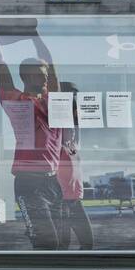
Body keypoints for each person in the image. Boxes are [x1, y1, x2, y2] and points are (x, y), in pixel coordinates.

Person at [0, 20, 64, 249]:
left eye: (46, 75)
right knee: (48, 243)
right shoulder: (15, 100)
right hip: (29, 183)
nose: (45, 79)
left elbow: (51, 63)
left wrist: (34, 34)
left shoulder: (53, 101)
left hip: (53, 182)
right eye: (39, 75)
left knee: (61, 244)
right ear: (26, 78)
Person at [56, 81, 93, 249]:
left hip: (75, 199)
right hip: (60, 200)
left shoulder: (74, 137)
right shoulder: (55, 128)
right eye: (71, 97)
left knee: (87, 244)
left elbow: (76, 122)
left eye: (76, 97)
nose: (75, 101)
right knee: (62, 247)